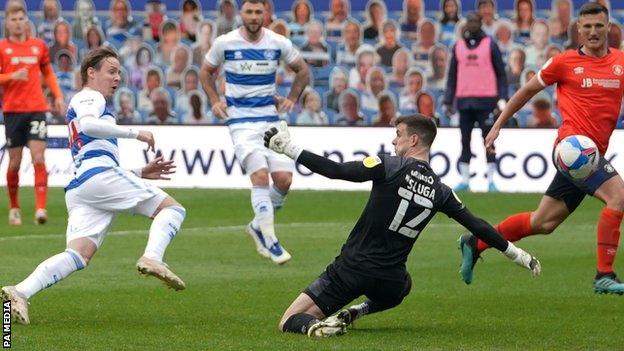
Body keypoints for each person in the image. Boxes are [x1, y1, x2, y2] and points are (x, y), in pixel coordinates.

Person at [264, 116, 541, 338]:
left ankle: (314, 328)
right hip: (389, 279)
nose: (394, 139)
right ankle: (358, 312)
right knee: (405, 285)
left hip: (351, 270)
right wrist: (518, 255)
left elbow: (337, 170)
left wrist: (288, 148)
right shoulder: (442, 190)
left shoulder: (388, 166)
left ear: (414, 139)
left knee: (288, 320)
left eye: (398, 134)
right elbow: (477, 225)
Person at [1, 47, 187, 325]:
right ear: (91, 72)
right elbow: (88, 126)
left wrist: (138, 172)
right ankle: (152, 257)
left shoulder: (91, 102)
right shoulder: (90, 97)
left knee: (78, 254)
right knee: (172, 210)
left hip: (83, 185)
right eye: (111, 71)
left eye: (119, 73)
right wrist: (135, 133)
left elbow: (93, 150)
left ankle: (19, 291)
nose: (116, 78)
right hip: (97, 178)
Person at [459, 3, 624, 295]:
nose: (594, 32)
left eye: (599, 25)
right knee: (618, 198)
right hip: (572, 149)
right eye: (587, 26)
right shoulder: (564, 62)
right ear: (578, 30)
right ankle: (604, 275)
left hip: (592, 153)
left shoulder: (620, 63)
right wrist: (497, 125)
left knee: (543, 222)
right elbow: (525, 92)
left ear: (609, 27)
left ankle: (476, 242)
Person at [200, 0, 310, 265]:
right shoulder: (225, 43)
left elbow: (303, 71)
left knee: (283, 180)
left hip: (270, 119)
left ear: (265, 15)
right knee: (260, 175)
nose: (253, 16)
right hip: (240, 121)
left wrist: (292, 98)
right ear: (241, 14)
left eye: (258, 12)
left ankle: (257, 225)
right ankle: (270, 240)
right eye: (248, 11)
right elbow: (205, 72)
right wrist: (215, 100)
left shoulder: (277, 42)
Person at [0, 3, 65, 225]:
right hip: (12, 111)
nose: (18, 23)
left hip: (37, 109)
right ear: (7, 23)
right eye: (14, 20)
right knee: (15, 163)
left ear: (26, 21)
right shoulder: (2, 48)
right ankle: (15, 207)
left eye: (21, 19)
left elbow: (48, 72)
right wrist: (11, 77)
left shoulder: (38, 46)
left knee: (38, 156)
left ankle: (40, 208)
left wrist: (57, 96)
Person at [444, 12, 508, 192]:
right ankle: (465, 180)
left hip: (486, 100)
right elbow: (452, 76)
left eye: (475, 21)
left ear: (480, 23)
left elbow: (501, 74)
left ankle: (491, 181)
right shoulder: (458, 46)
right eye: (469, 21)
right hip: (464, 101)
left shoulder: (490, 45)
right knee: (464, 140)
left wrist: (502, 97)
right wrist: (448, 100)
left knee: (488, 141)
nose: (471, 24)